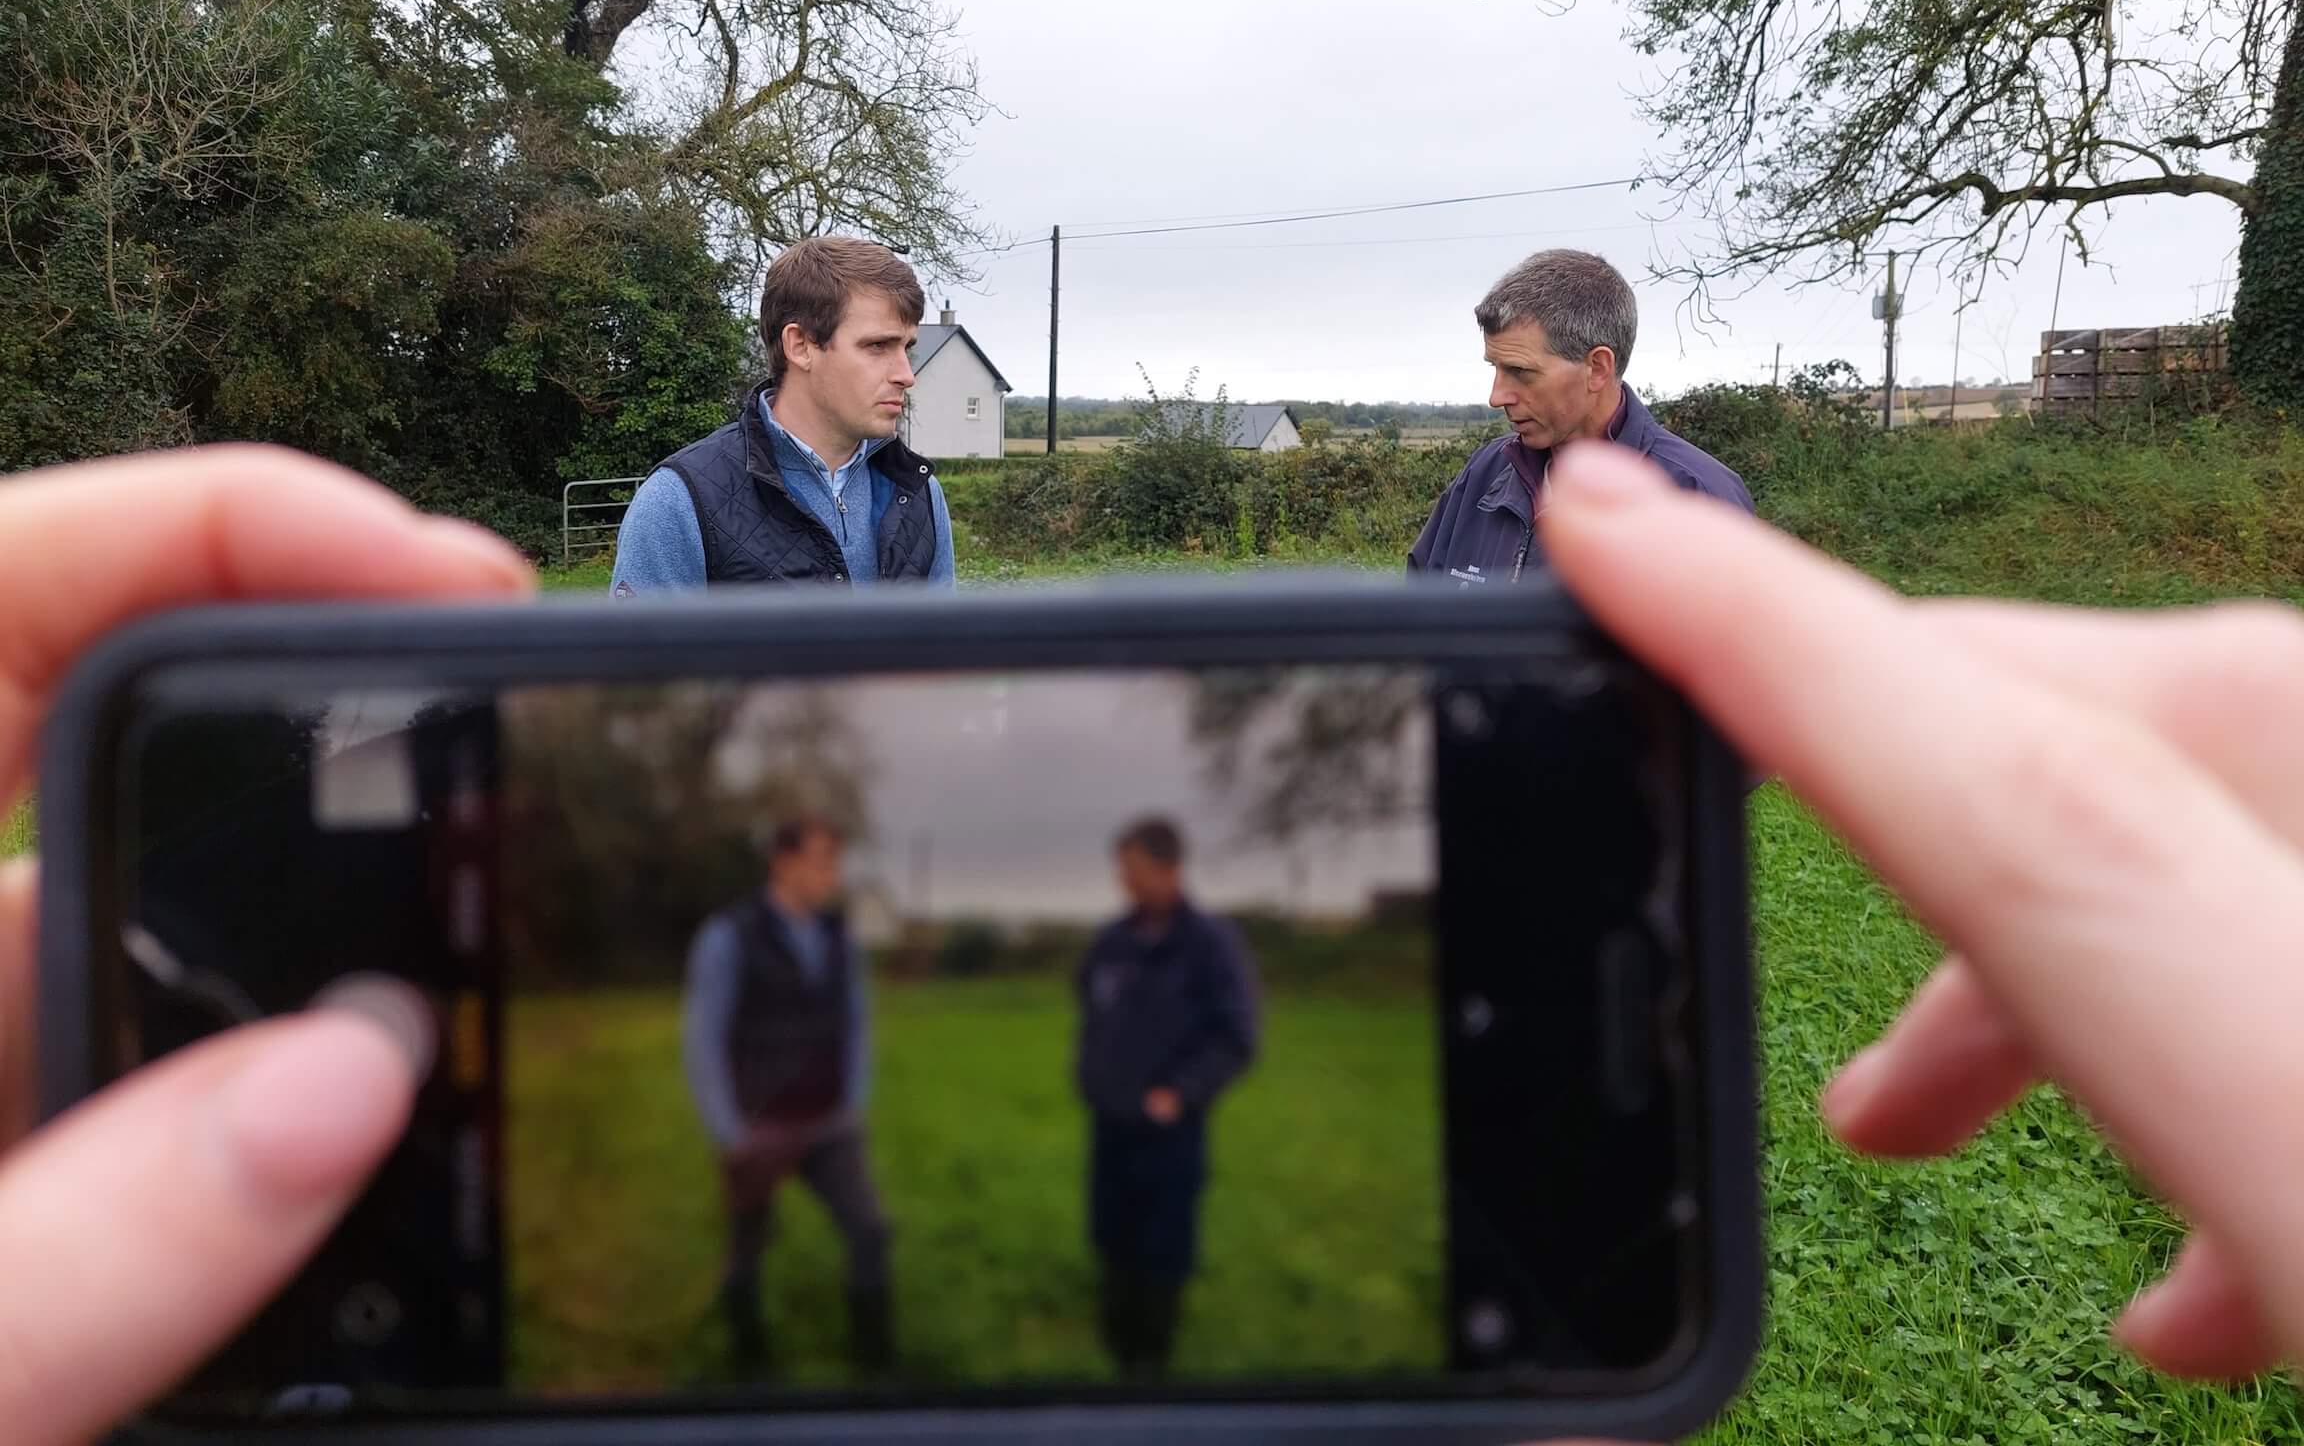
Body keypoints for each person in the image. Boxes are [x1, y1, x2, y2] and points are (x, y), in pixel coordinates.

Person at [4, 443, 2304, 1442]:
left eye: (1128, 872)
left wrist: (1171, 1070)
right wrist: (743, 1102)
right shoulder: (750, 935)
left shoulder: (1159, 947)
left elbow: (1137, 1002)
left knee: (996, 1253)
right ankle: (801, 1313)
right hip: (773, 1121)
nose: (1121, 891)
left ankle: (1055, 1321)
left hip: (1095, 1124)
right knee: (771, 1257)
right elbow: (716, 1017)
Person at [611, 236, 957, 593]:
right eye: (878, 346)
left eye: (906, 348)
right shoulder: (678, 502)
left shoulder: (918, 493)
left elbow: (944, 632)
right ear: (800, 345)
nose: (906, 374)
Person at [681, 815, 892, 1374]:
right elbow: (703, 1039)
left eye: (835, 863)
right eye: (822, 862)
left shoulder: (841, 938)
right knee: (746, 1253)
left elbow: (858, 1023)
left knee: (871, 1231)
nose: (832, 875)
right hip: (759, 1126)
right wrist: (729, 1132)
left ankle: (876, 1367)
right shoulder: (728, 937)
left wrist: (853, 1100)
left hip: (829, 1123)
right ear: (783, 861)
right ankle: (750, 1369)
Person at [1409, 247, 1754, 586]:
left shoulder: (1699, 496)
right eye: (1495, 368)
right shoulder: (1485, 472)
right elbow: (1421, 606)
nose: (1496, 396)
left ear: (1597, 368)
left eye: (1520, 371)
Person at [1073, 818, 1259, 1378]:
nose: (1123, 881)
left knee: (1162, 1250)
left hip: (1169, 1132)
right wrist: (1092, 1076)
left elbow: (1237, 1036)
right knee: (1112, 1239)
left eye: (1132, 869)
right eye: (1121, 869)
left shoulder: (1209, 945)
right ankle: (1117, 1352)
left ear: (1170, 869)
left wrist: (1182, 1091)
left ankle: (1151, 1366)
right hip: (1110, 1125)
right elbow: (1089, 1006)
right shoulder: (1111, 942)